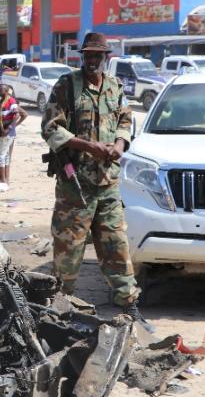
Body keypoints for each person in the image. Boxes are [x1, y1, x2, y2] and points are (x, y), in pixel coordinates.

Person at [40, 31, 151, 330]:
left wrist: (119, 144)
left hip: (109, 183)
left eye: (97, 56)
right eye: (87, 55)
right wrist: (89, 146)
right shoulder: (66, 86)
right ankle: (59, 309)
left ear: (106, 58)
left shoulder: (115, 87)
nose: (92, 60)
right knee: (68, 250)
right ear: (82, 57)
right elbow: (51, 128)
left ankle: (127, 303)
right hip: (76, 185)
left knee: (115, 244)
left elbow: (126, 119)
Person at [0, 83, 26, 185]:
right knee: (6, 156)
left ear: (6, 91)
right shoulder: (0, 102)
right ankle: (6, 180)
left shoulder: (11, 101)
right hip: (1, 132)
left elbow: (17, 115)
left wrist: (11, 127)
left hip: (7, 132)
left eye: (1, 89)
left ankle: (3, 179)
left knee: (0, 156)